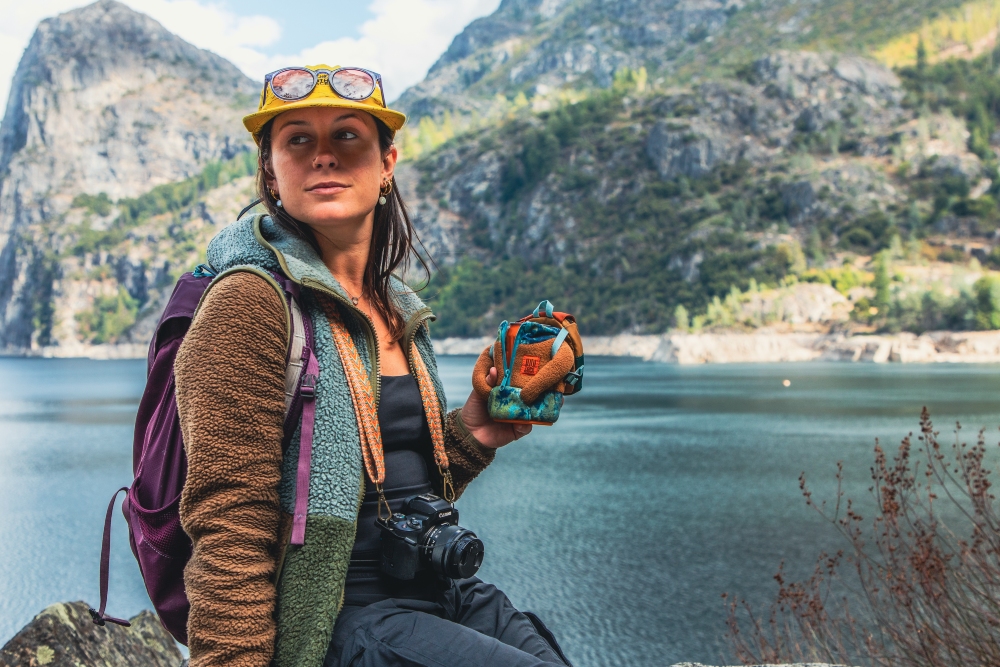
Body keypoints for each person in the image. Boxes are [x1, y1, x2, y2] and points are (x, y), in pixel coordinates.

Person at [173, 64, 571, 667]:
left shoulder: (397, 307)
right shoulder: (249, 303)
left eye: (347, 135)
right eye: (297, 139)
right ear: (271, 172)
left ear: (387, 163)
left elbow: (394, 492)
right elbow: (228, 520)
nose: (323, 156)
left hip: (442, 593)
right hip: (337, 620)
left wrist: (475, 431)